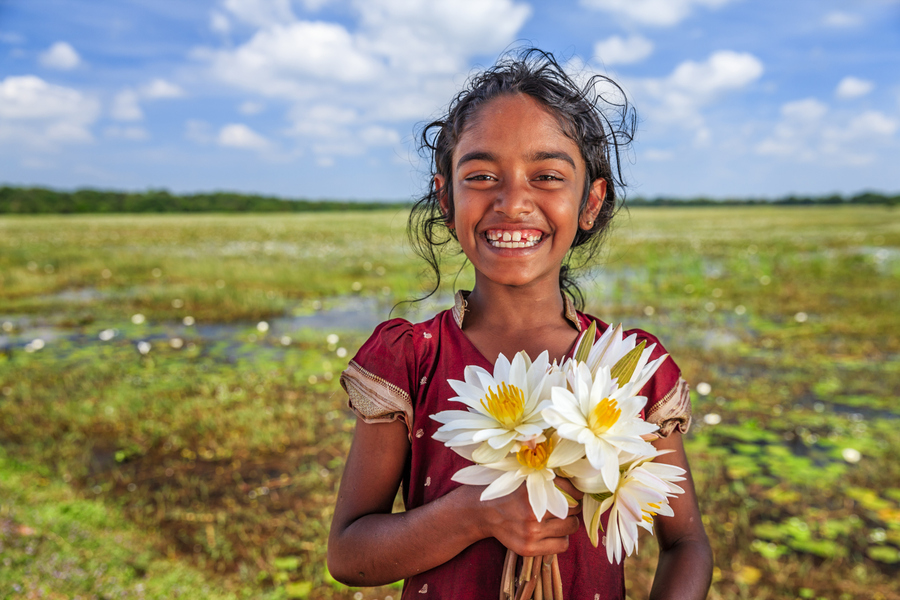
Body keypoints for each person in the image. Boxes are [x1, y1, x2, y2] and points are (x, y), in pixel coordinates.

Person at [327, 48, 713, 600]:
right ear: (445, 196)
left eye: (547, 176)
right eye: (481, 175)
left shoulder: (629, 367)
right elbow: (348, 554)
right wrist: (472, 514)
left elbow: (687, 545)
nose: (512, 202)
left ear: (591, 202)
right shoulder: (412, 358)